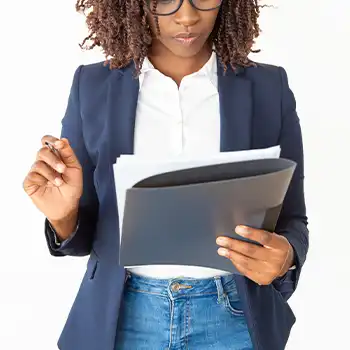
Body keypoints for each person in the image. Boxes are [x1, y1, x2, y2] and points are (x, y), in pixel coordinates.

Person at [23, 0, 309, 349]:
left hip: (233, 318)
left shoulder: (269, 87)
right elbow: (84, 237)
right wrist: (63, 215)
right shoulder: (92, 86)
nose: (187, 16)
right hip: (123, 317)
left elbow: (293, 219)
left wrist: (285, 258)